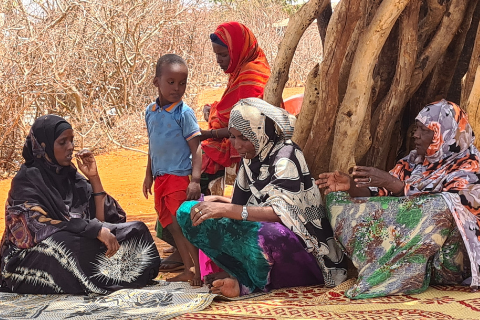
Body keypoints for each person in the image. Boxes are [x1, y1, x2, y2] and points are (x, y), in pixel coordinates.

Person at [177, 98, 348, 297]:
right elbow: (242, 207)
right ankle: (241, 274)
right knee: (188, 211)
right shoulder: (250, 158)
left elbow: (279, 213)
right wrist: (218, 203)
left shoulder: (287, 155)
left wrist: (224, 209)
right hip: (265, 238)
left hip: (304, 254)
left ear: (261, 133)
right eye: (232, 137)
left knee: (269, 234)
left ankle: (247, 285)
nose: (237, 145)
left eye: (244, 138)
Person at [317, 99, 480, 299]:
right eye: (416, 129)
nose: (416, 135)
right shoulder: (413, 162)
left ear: (445, 134)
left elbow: (458, 207)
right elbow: (381, 193)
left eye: (426, 130)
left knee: (440, 206)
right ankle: (381, 267)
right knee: (338, 199)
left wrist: (397, 186)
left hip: (448, 263)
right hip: (418, 258)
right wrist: (350, 186)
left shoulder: (470, 166)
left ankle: (400, 276)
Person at [0, 115, 160, 294]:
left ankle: (107, 276)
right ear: (43, 147)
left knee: (137, 230)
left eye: (71, 140)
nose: (71, 147)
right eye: (63, 142)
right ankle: (102, 276)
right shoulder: (26, 180)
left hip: (76, 240)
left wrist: (94, 178)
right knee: (66, 245)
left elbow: (101, 219)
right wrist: (94, 230)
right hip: (29, 257)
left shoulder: (72, 177)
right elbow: (35, 227)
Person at [142, 54, 203, 285]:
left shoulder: (184, 113)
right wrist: (148, 174)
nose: (177, 88)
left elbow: (196, 149)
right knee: (171, 225)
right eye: (171, 82)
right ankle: (188, 268)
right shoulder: (151, 111)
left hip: (178, 177)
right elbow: (153, 144)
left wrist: (195, 180)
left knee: (183, 225)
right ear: (156, 81)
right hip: (160, 178)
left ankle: (198, 270)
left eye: (182, 83)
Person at [200, 21, 271, 194]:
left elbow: (246, 126)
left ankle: (202, 209)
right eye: (216, 55)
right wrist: (213, 112)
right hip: (237, 136)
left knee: (197, 161)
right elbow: (232, 108)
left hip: (251, 144)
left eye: (223, 55)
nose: (219, 60)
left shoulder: (251, 73)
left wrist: (209, 134)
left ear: (237, 50)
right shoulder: (240, 70)